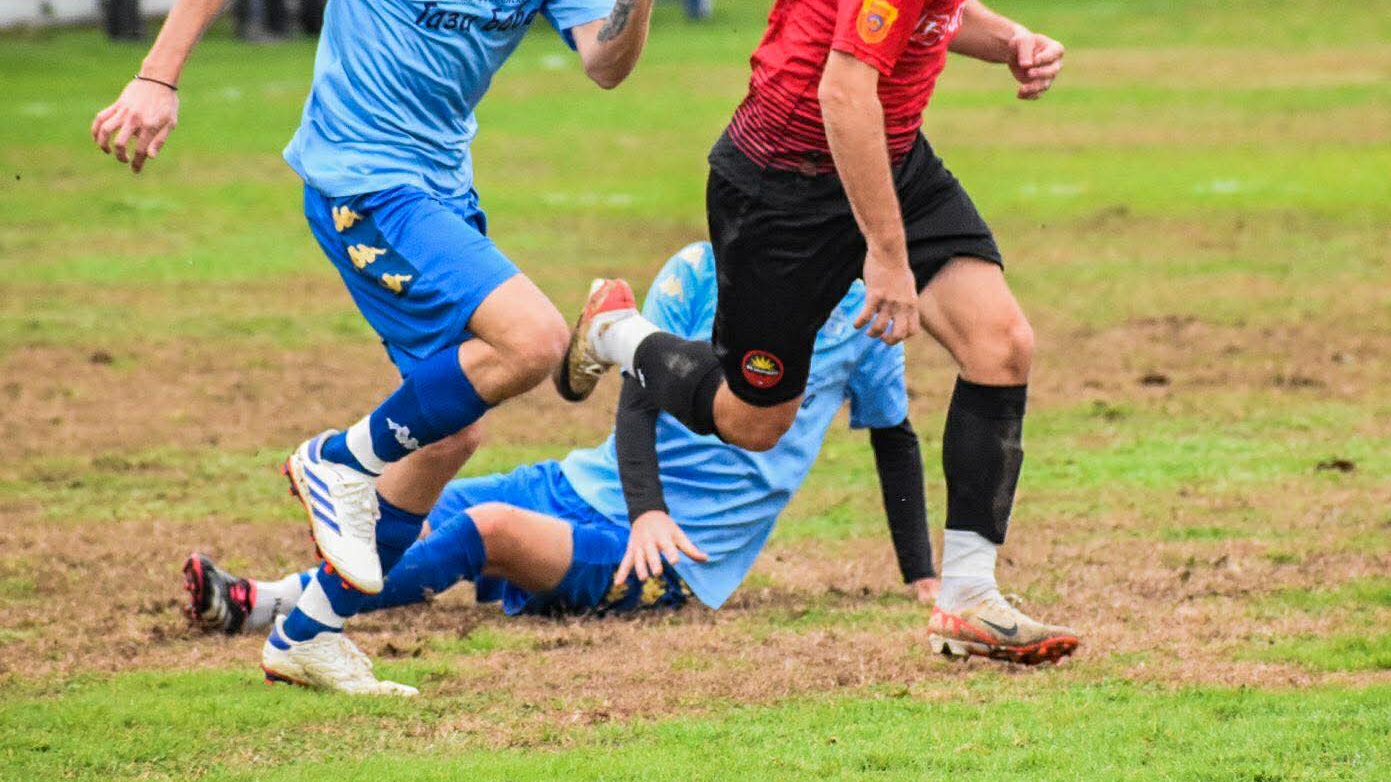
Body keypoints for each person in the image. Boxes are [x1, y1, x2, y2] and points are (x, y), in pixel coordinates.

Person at [89, 0, 682, 694]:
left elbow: (604, 63)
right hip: (362, 179)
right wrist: (159, 77)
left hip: (441, 187)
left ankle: (307, 631)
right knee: (535, 340)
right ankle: (338, 460)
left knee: (452, 432)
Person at [555, 0, 1076, 664]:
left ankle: (967, 599)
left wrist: (1012, 41)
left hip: (885, 151)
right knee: (754, 419)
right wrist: (886, 256)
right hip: (784, 182)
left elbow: (936, 10)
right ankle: (617, 334)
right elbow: (843, 91)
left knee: (1002, 345)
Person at [183, 242, 944, 695]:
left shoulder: (867, 313)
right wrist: (643, 503)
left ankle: (268, 610)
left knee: (483, 530)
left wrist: (921, 573)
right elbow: (639, 391)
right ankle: (277, 601)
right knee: (407, 506)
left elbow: (894, 436)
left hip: (672, 554)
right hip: (589, 485)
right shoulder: (698, 270)